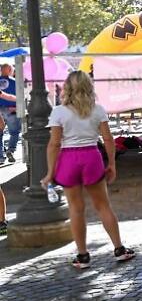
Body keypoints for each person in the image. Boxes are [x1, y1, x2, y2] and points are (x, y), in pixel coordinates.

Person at [42, 70, 134, 269]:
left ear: (67, 88)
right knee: (103, 206)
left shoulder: (59, 111)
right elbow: (108, 139)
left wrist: (50, 173)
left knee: (76, 209)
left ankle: (82, 256)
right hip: (91, 156)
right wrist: (112, 164)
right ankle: (119, 249)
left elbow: (54, 144)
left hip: (68, 158)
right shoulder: (97, 109)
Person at [0, 63, 20, 163]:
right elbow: (20, 96)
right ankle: (10, 150)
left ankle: (0, 156)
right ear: (8, 70)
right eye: (11, 69)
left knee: (0, 132)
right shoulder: (15, 82)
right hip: (12, 109)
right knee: (14, 132)